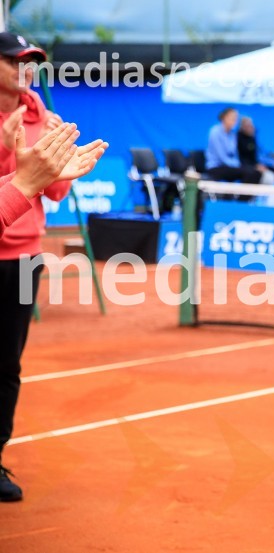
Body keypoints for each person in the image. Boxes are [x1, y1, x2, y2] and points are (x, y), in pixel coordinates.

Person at [0, 30, 109, 502]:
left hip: (23, 258)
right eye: (16, 60)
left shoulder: (42, 116)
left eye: (32, 61)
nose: (26, 68)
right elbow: (18, 180)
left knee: (7, 365)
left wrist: (62, 167)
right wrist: (12, 155)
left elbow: (54, 191)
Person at [205, 107, 261, 184]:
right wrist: (239, 165)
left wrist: (241, 165)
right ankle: (238, 195)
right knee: (249, 172)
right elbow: (222, 158)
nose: (235, 120)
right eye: (232, 117)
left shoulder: (232, 134)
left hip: (230, 166)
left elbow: (235, 154)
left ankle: (242, 195)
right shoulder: (215, 132)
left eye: (236, 118)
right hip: (216, 167)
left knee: (255, 173)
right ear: (224, 117)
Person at [237, 115, 274, 185]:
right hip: (246, 168)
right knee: (266, 176)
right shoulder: (238, 139)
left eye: (251, 126)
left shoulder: (253, 139)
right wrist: (255, 167)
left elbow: (260, 156)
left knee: (273, 173)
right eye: (248, 126)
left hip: (255, 166)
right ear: (242, 127)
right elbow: (240, 159)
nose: (251, 128)